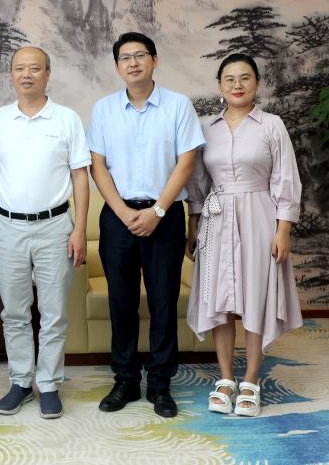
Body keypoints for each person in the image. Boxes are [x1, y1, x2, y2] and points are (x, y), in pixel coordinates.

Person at [86, 32, 204, 418]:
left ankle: (160, 384)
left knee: (163, 302)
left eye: (140, 55)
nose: (133, 62)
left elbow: (186, 162)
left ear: (155, 60)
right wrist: (122, 212)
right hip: (117, 216)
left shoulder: (177, 105)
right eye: (125, 57)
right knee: (121, 302)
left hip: (164, 217)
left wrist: (158, 211)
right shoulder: (104, 109)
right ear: (117, 66)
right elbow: (97, 166)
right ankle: (125, 379)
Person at [185, 53, 303, 418]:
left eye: (245, 78)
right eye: (230, 79)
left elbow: (286, 178)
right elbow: (197, 182)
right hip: (216, 218)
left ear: (257, 83)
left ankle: (251, 379)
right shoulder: (206, 128)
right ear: (220, 85)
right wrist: (193, 223)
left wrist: (283, 229)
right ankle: (225, 379)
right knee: (219, 302)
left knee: (255, 297)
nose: (237, 85)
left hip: (259, 215)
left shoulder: (272, 125)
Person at [0, 46, 90, 420]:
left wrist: (79, 229)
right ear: (11, 75)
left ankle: (50, 384)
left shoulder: (67, 119)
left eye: (35, 68)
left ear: (47, 74)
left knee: (54, 312)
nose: (27, 74)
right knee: (14, 312)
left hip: (55, 227)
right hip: (7, 227)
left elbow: (80, 176)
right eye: (20, 68)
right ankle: (21, 381)